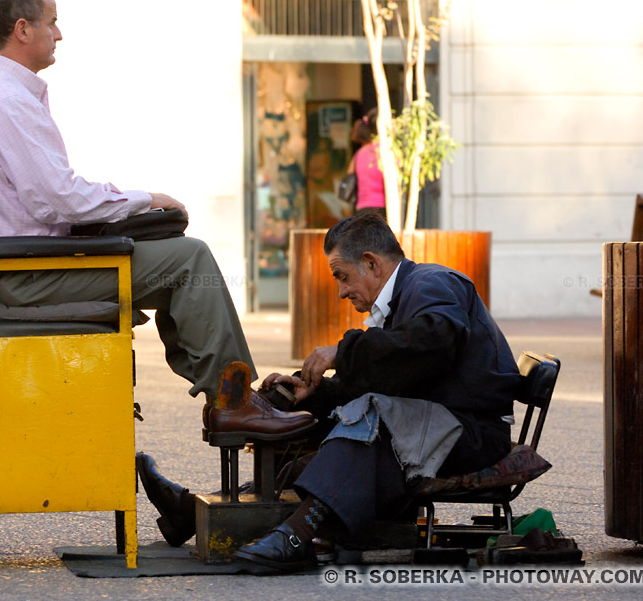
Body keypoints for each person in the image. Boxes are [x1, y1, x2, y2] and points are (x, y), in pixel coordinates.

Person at [0, 0, 314, 440]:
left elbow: (53, 193)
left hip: (37, 263)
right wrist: (145, 199)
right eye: (52, 22)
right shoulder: (7, 101)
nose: (60, 34)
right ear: (23, 29)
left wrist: (131, 208)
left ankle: (231, 394)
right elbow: (56, 199)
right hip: (33, 273)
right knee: (190, 258)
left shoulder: (7, 96)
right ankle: (234, 400)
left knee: (174, 251)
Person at [139, 210, 522, 570]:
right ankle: (191, 513)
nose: (341, 292)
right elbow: (400, 373)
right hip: (439, 422)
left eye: (342, 276)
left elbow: (434, 340)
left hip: (472, 433)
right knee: (318, 419)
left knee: (369, 419)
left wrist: (343, 351)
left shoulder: (432, 282)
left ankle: (299, 536)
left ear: (371, 263)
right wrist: (315, 394)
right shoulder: (404, 297)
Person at [349, 109, 386, 217]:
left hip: (361, 208)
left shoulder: (359, 153)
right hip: (381, 208)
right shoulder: (385, 152)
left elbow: (349, 175)